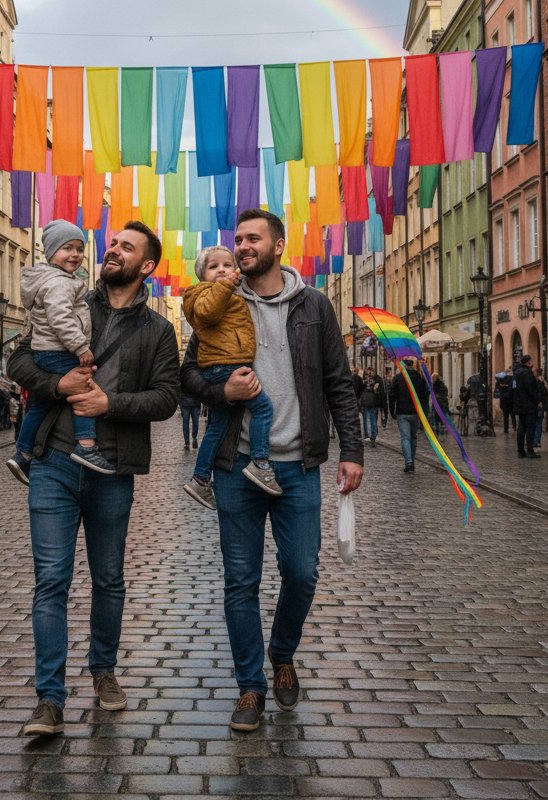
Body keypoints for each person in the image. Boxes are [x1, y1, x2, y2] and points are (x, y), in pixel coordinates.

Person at [180, 209, 363, 733]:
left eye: (253, 239)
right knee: (240, 581)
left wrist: (353, 450)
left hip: (297, 463)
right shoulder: (219, 300)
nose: (242, 246)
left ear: (278, 246)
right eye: (237, 239)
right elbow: (187, 375)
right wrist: (222, 391)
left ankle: (282, 653)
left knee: (302, 573)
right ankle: (250, 686)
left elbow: (338, 381)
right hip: (236, 465)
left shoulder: (314, 305)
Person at [9, 221, 179, 737]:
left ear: (146, 266)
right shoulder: (68, 296)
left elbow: (167, 398)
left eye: (127, 247)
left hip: (113, 466)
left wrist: (111, 403)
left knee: (108, 579)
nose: (113, 250)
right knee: (51, 581)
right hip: (55, 462)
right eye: (114, 243)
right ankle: (49, 699)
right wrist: (56, 383)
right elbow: (18, 360)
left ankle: (103, 670)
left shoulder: (158, 330)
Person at [6, 219, 110, 485]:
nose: (75, 254)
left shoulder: (55, 280)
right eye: (67, 248)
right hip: (59, 350)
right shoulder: (59, 283)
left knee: (41, 404)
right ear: (51, 252)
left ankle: (22, 453)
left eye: (79, 249)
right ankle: (86, 446)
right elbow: (61, 318)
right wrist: (80, 346)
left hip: (45, 350)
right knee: (83, 389)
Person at [182, 245, 277, 511]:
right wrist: (225, 287)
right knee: (263, 408)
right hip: (225, 365)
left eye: (227, 265)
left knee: (217, 427)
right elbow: (207, 312)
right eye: (214, 267)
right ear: (201, 275)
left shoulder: (227, 294)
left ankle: (201, 478)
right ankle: (260, 463)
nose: (222, 270)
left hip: (226, 363)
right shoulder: (202, 293)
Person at [390, 358, 429, 472]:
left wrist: (391, 410)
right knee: (413, 437)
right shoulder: (419, 378)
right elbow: (424, 395)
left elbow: (392, 395)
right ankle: (411, 460)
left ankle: (409, 462)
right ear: (412, 366)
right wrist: (424, 412)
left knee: (405, 438)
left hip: (402, 412)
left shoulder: (398, 378)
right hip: (415, 412)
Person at [512, 355, 541, 459]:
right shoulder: (527, 373)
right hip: (529, 405)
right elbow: (531, 389)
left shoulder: (516, 373)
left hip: (520, 404)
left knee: (521, 427)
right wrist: (537, 400)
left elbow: (514, 388)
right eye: (531, 361)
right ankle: (530, 450)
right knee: (530, 428)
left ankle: (520, 451)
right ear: (528, 362)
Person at [532, 366, 548, 451]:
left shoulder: (535, 381)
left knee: (535, 423)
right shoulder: (544, 381)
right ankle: (537, 441)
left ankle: (534, 441)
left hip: (536, 405)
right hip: (542, 405)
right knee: (539, 423)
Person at [360, 371, 383, 446]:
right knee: (369, 421)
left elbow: (380, 393)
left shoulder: (376, 382)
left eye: (370, 374)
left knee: (371, 421)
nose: (368, 376)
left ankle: (372, 436)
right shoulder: (364, 383)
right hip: (368, 404)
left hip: (372, 403)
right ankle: (371, 436)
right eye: (367, 374)